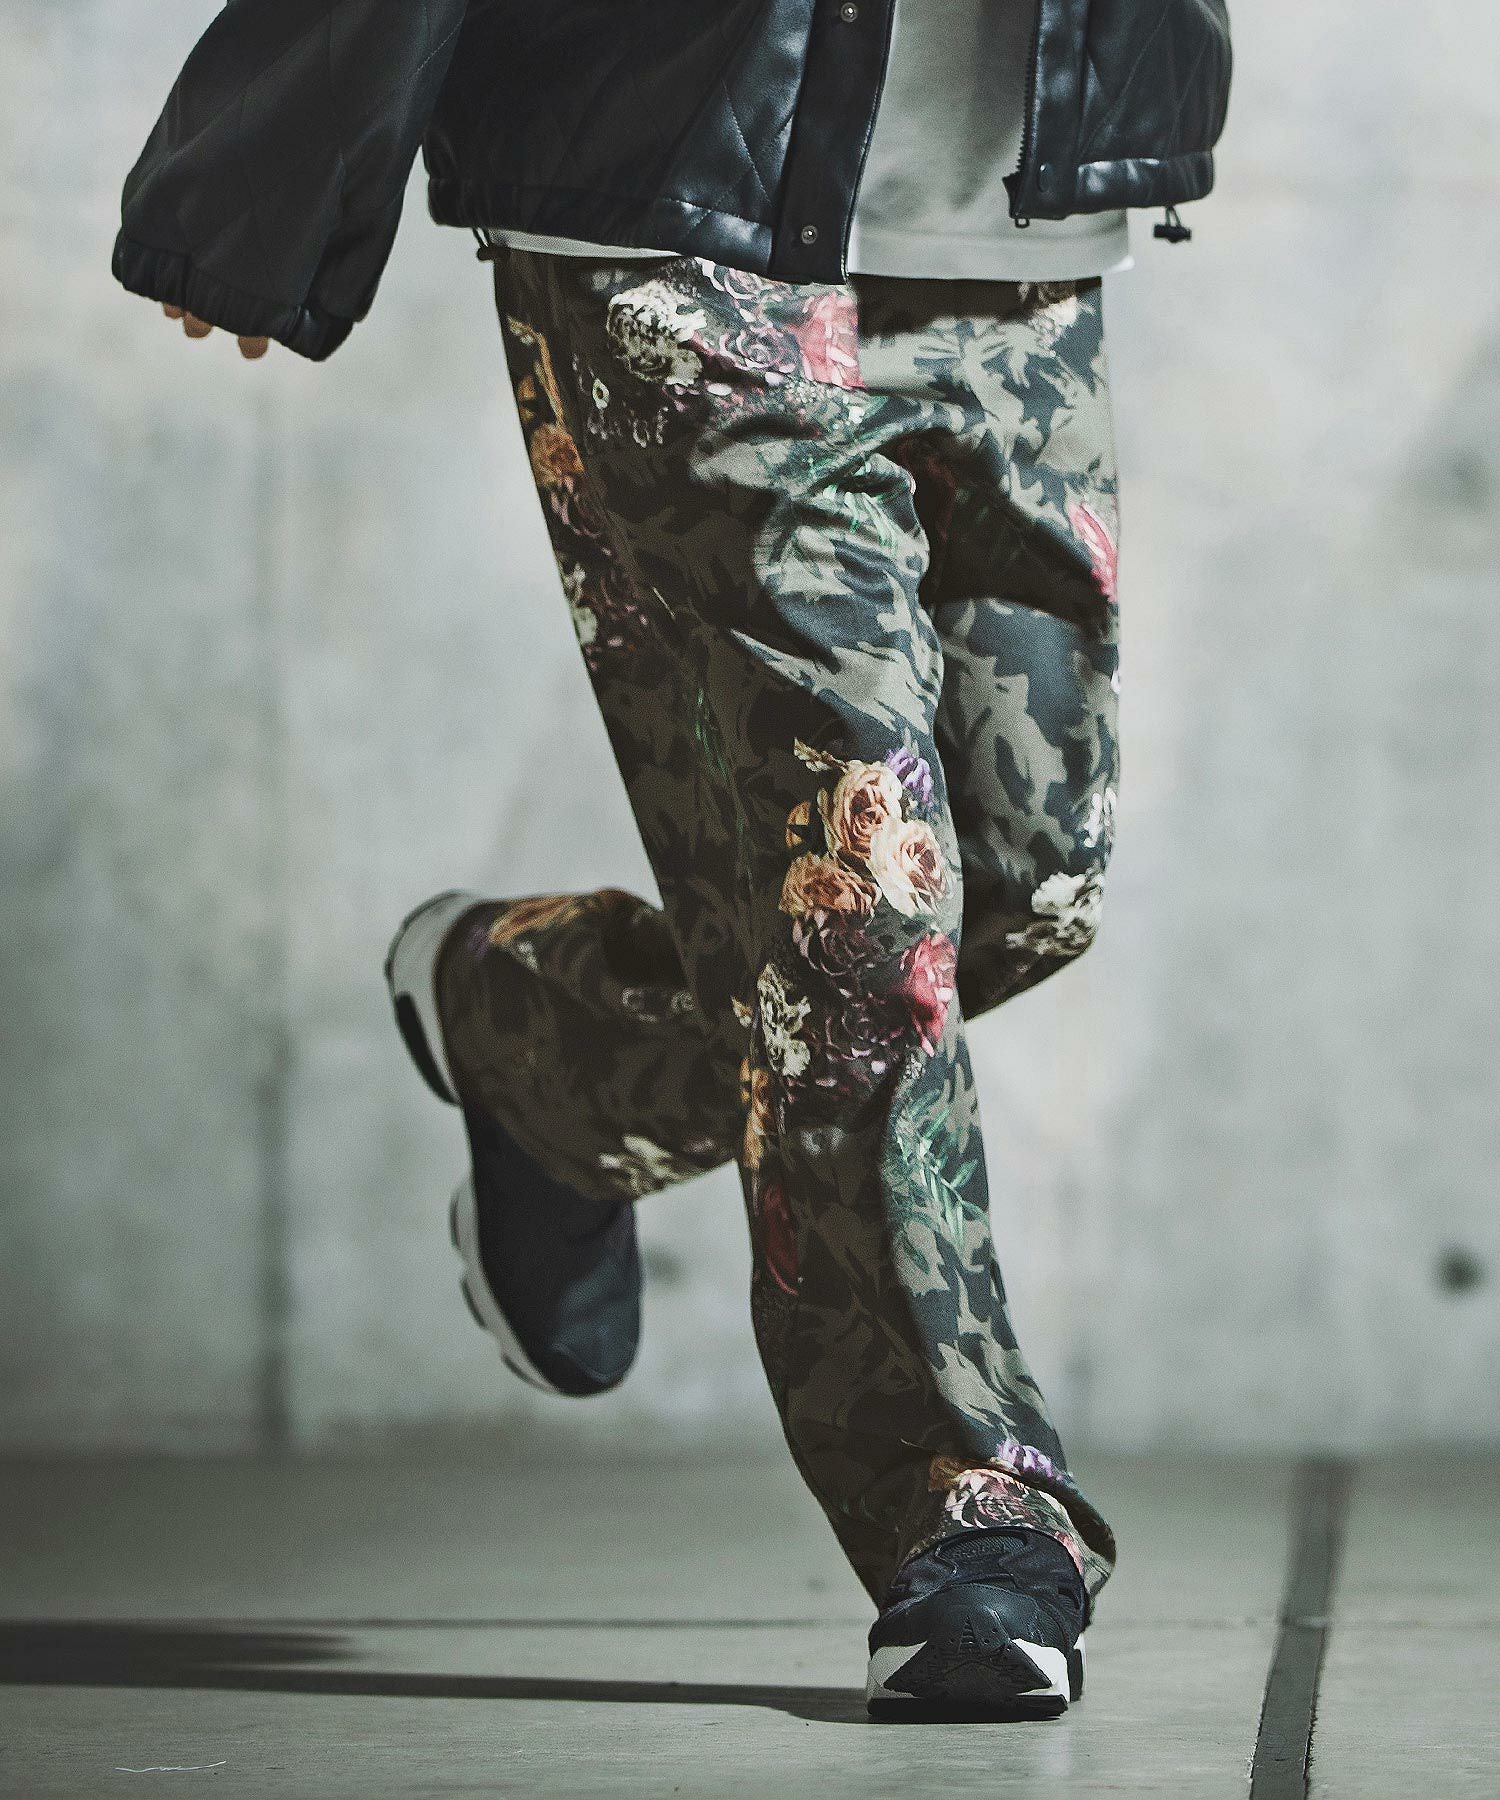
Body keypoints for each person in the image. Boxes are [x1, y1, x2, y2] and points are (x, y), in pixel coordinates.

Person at [115, 0, 1231, 1719]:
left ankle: (544, 1042)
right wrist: (270, 156)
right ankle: (967, 1513)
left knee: (1024, 888)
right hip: (682, 230)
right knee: (859, 919)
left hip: (1020, 235)